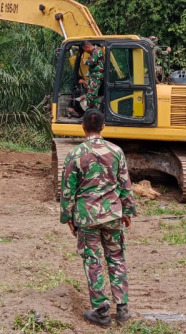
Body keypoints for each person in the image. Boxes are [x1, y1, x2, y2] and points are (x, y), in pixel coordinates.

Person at [60, 109, 137, 327]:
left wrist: (68, 216)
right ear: (103, 127)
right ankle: (122, 310)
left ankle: (102, 312)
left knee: (92, 261)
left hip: (87, 216)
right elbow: (125, 185)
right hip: (112, 215)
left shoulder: (75, 154)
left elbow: (67, 189)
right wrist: (128, 212)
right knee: (116, 258)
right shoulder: (117, 151)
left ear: (83, 127)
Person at [78, 40, 104, 109]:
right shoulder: (93, 53)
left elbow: (90, 62)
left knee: (91, 96)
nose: (85, 51)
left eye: (84, 50)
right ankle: (89, 112)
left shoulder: (96, 51)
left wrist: (85, 61)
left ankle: (98, 110)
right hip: (93, 76)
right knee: (88, 95)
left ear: (87, 47)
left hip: (97, 76)